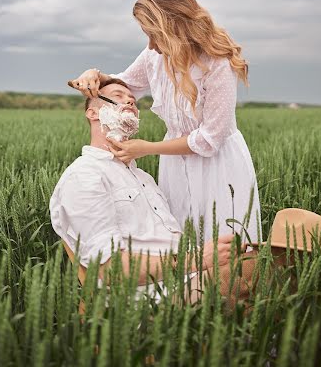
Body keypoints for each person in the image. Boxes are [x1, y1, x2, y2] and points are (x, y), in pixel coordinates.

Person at [71, 0, 261, 242]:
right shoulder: (154, 55)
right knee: (182, 244)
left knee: (224, 245)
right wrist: (96, 75)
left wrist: (146, 148)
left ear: (175, 29)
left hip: (218, 168)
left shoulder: (218, 63)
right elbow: (128, 85)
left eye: (152, 34)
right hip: (175, 166)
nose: (149, 44)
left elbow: (209, 139)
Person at [50, 78, 237, 297]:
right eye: (118, 96)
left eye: (133, 100)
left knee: (270, 257)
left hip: (189, 278)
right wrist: (195, 259)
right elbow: (110, 269)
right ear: (92, 113)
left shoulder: (143, 177)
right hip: (151, 300)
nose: (130, 102)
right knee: (262, 270)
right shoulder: (84, 176)